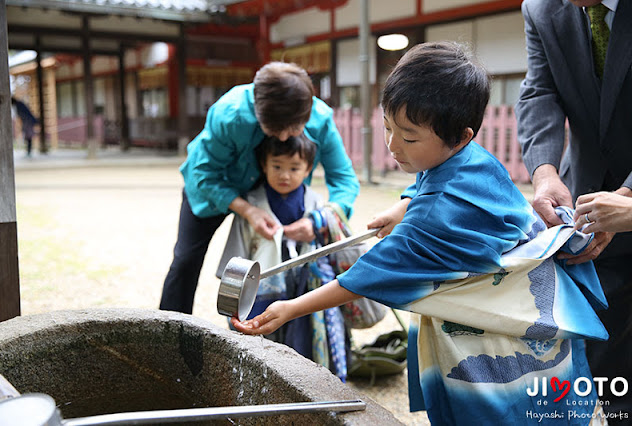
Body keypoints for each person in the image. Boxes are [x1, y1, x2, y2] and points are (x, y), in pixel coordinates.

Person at [234, 42, 609, 424]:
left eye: (409, 137)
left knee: (498, 412)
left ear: (460, 136)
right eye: (386, 127)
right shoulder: (473, 159)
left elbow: (370, 274)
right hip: (537, 312)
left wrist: (290, 308)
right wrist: (403, 206)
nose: (393, 145)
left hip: (496, 335)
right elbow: (431, 181)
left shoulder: (435, 216)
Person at [160, 61, 360, 315]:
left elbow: (344, 180)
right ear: (258, 112)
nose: (286, 138)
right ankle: (170, 327)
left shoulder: (319, 119)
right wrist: (247, 210)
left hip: (280, 191)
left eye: (296, 129)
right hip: (217, 187)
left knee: (288, 264)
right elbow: (203, 174)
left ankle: (282, 333)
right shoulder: (230, 113)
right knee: (185, 261)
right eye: (276, 131)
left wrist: (320, 220)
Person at [515, 0, 632, 418]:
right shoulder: (542, 10)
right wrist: (545, 173)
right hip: (588, 205)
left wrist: (628, 197)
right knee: (606, 358)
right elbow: (539, 91)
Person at [216, 134, 350, 381]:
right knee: (260, 348)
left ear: (308, 168)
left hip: (304, 288)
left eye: (294, 168)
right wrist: (231, 295)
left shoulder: (316, 204)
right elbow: (234, 260)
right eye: (276, 166)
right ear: (263, 165)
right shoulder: (252, 205)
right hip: (259, 291)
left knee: (301, 347)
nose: (284, 175)